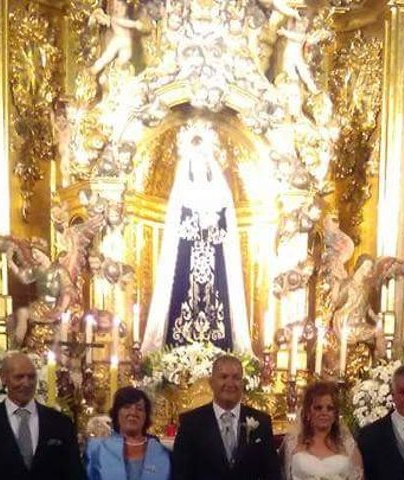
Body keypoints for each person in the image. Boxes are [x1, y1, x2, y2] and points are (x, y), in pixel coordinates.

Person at [142, 121, 252, 355]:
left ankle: (221, 350)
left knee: (218, 309)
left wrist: (211, 227)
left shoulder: (221, 193)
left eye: (203, 159)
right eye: (195, 160)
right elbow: (176, 238)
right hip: (186, 265)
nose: (199, 164)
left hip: (215, 266)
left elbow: (226, 236)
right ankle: (177, 353)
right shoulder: (182, 193)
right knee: (182, 301)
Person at [0, 352, 85, 480]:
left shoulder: (61, 423)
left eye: (31, 377)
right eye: (19, 377)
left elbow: (75, 473)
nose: (26, 383)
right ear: (3, 378)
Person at [172, 355, 280, 480]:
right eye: (223, 377)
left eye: (236, 378)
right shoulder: (191, 423)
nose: (230, 383)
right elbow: (181, 474)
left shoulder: (261, 422)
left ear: (243, 383)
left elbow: (272, 472)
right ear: (211, 383)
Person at [84, 386, 171, 480]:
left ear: (146, 416)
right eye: (126, 407)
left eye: (139, 409)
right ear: (116, 412)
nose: (133, 412)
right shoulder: (96, 449)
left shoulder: (163, 453)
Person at [280, 381, 363, 479]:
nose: (324, 412)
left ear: (335, 414)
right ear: (308, 413)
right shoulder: (292, 443)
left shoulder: (347, 445)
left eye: (330, 408)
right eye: (318, 408)